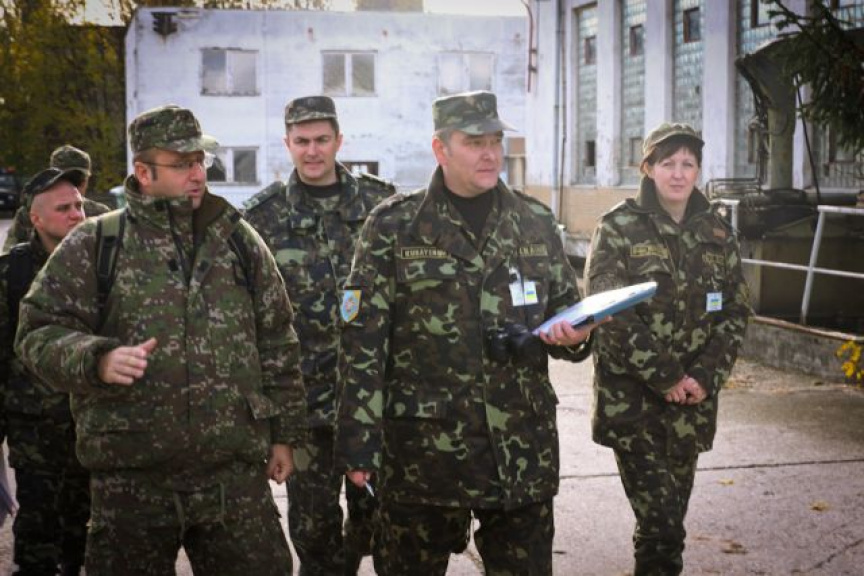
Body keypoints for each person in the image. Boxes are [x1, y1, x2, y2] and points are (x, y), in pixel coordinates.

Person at [14, 104, 307, 576]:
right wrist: (97, 359)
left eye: (200, 161)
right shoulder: (98, 242)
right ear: (144, 172)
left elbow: (277, 339)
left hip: (231, 477)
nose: (197, 174)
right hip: (132, 479)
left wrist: (285, 435)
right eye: (181, 163)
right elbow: (37, 333)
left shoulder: (236, 239)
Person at [334, 90, 602, 575]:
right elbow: (363, 344)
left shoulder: (534, 221)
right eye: (475, 142)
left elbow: (567, 313)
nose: (490, 153)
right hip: (423, 452)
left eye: (496, 141)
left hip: (518, 446)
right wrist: (358, 443)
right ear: (441, 148)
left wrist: (577, 336)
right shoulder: (394, 225)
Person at [584, 122, 752, 576]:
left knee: (668, 522)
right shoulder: (618, 228)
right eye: (667, 163)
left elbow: (735, 311)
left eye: (688, 164)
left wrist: (705, 377)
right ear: (648, 168)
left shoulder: (719, 232)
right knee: (662, 526)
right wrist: (667, 376)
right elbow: (609, 312)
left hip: (690, 405)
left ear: (698, 170)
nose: (678, 173)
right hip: (634, 404)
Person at [244, 95, 392, 575]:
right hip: (304, 408)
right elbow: (249, 320)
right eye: (302, 141)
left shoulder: (381, 206)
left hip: (374, 404)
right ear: (287, 143)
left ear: (339, 141)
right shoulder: (261, 218)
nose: (312, 151)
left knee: (383, 523)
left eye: (322, 139)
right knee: (313, 532)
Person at [0, 167, 90, 575]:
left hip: (94, 426)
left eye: (79, 205)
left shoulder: (106, 267)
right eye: (63, 208)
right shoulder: (12, 273)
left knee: (87, 537)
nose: (76, 215)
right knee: (38, 535)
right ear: (35, 218)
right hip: (35, 431)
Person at [2, 145, 110, 253]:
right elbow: (9, 253)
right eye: (63, 178)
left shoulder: (102, 215)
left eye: (80, 180)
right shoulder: (28, 213)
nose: (72, 185)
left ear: (87, 181)